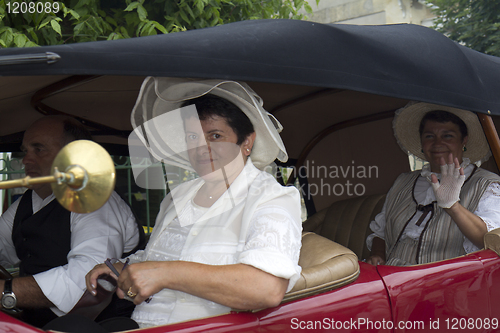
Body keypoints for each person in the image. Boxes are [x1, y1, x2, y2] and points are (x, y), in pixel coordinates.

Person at [85, 77, 303, 329]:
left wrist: (164, 273)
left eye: (215, 135)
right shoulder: (178, 198)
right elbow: (161, 255)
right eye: (192, 137)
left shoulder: (271, 198)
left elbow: (265, 289)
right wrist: (125, 268)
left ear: (246, 142)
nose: (202, 147)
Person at [0, 116, 143, 327]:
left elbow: (87, 278)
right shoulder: (27, 202)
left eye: (38, 149)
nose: (26, 160)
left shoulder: (94, 200)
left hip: (96, 327)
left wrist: (7, 291)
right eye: (25, 150)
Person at [366, 102, 500, 266]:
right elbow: (381, 232)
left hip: (449, 282)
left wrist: (453, 207)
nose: (437, 143)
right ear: (422, 143)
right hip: (392, 279)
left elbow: (491, 242)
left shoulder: (486, 184)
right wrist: (378, 254)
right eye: (429, 136)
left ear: (463, 141)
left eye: (447, 136)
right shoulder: (403, 182)